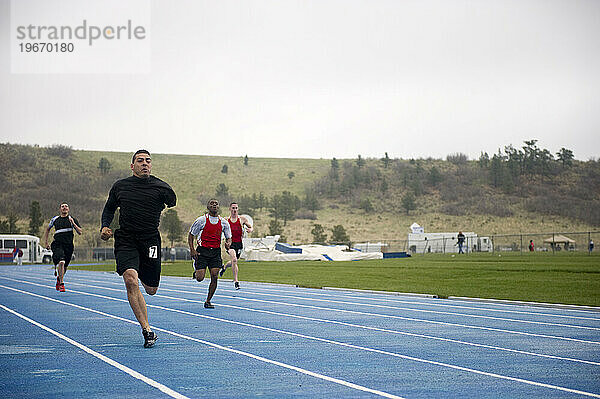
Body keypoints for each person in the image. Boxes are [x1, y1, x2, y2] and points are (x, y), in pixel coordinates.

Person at [100, 150, 176, 348]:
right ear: (132, 166)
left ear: (151, 165)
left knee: (151, 290)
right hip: (126, 239)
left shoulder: (161, 187)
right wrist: (105, 226)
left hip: (150, 241)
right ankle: (147, 330)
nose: (144, 164)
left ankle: (140, 268)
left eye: (148, 161)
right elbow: (109, 208)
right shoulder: (120, 186)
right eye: (140, 161)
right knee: (130, 280)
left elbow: (172, 202)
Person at [188, 199, 232, 309]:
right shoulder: (201, 220)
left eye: (216, 203)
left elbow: (229, 237)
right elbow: (191, 235)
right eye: (211, 203)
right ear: (208, 207)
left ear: (219, 207)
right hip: (202, 251)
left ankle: (208, 301)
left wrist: (228, 243)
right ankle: (196, 269)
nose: (214, 205)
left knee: (214, 275)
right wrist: (192, 250)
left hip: (215, 252)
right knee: (200, 278)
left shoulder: (223, 222)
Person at [43, 203, 83, 292]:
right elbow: (47, 229)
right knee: (61, 261)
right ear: (60, 209)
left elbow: (80, 232)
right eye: (62, 206)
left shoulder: (72, 219)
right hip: (57, 244)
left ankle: (59, 278)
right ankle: (61, 283)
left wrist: (73, 223)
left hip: (68, 245)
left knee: (65, 266)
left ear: (68, 209)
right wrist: (46, 242)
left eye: (66, 206)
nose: (64, 207)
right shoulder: (55, 219)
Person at [220, 202, 253, 290]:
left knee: (234, 262)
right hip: (230, 244)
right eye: (233, 208)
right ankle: (236, 281)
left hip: (239, 244)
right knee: (234, 259)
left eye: (236, 208)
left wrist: (250, 229)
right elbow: (219, 228)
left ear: (238, 209)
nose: (234, 210)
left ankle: (224, 267)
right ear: (230, 209)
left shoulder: (242, 219)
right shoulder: (226, 220)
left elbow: (250, 227)